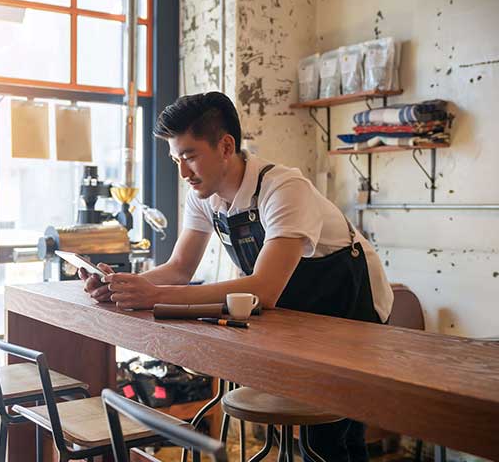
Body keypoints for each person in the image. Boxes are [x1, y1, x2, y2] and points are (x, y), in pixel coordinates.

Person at [79, 91, 393, 461]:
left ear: (226, 146)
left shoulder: (284, 189)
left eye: (189, 156)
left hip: (351, 313)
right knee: (318, 437)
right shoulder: (204, 195)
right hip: (299, 316)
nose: (182, 172)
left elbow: (264, 289)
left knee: (331, 438)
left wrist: (154, 295)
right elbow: (180, 269)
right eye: (175, 159)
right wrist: (124, 285)